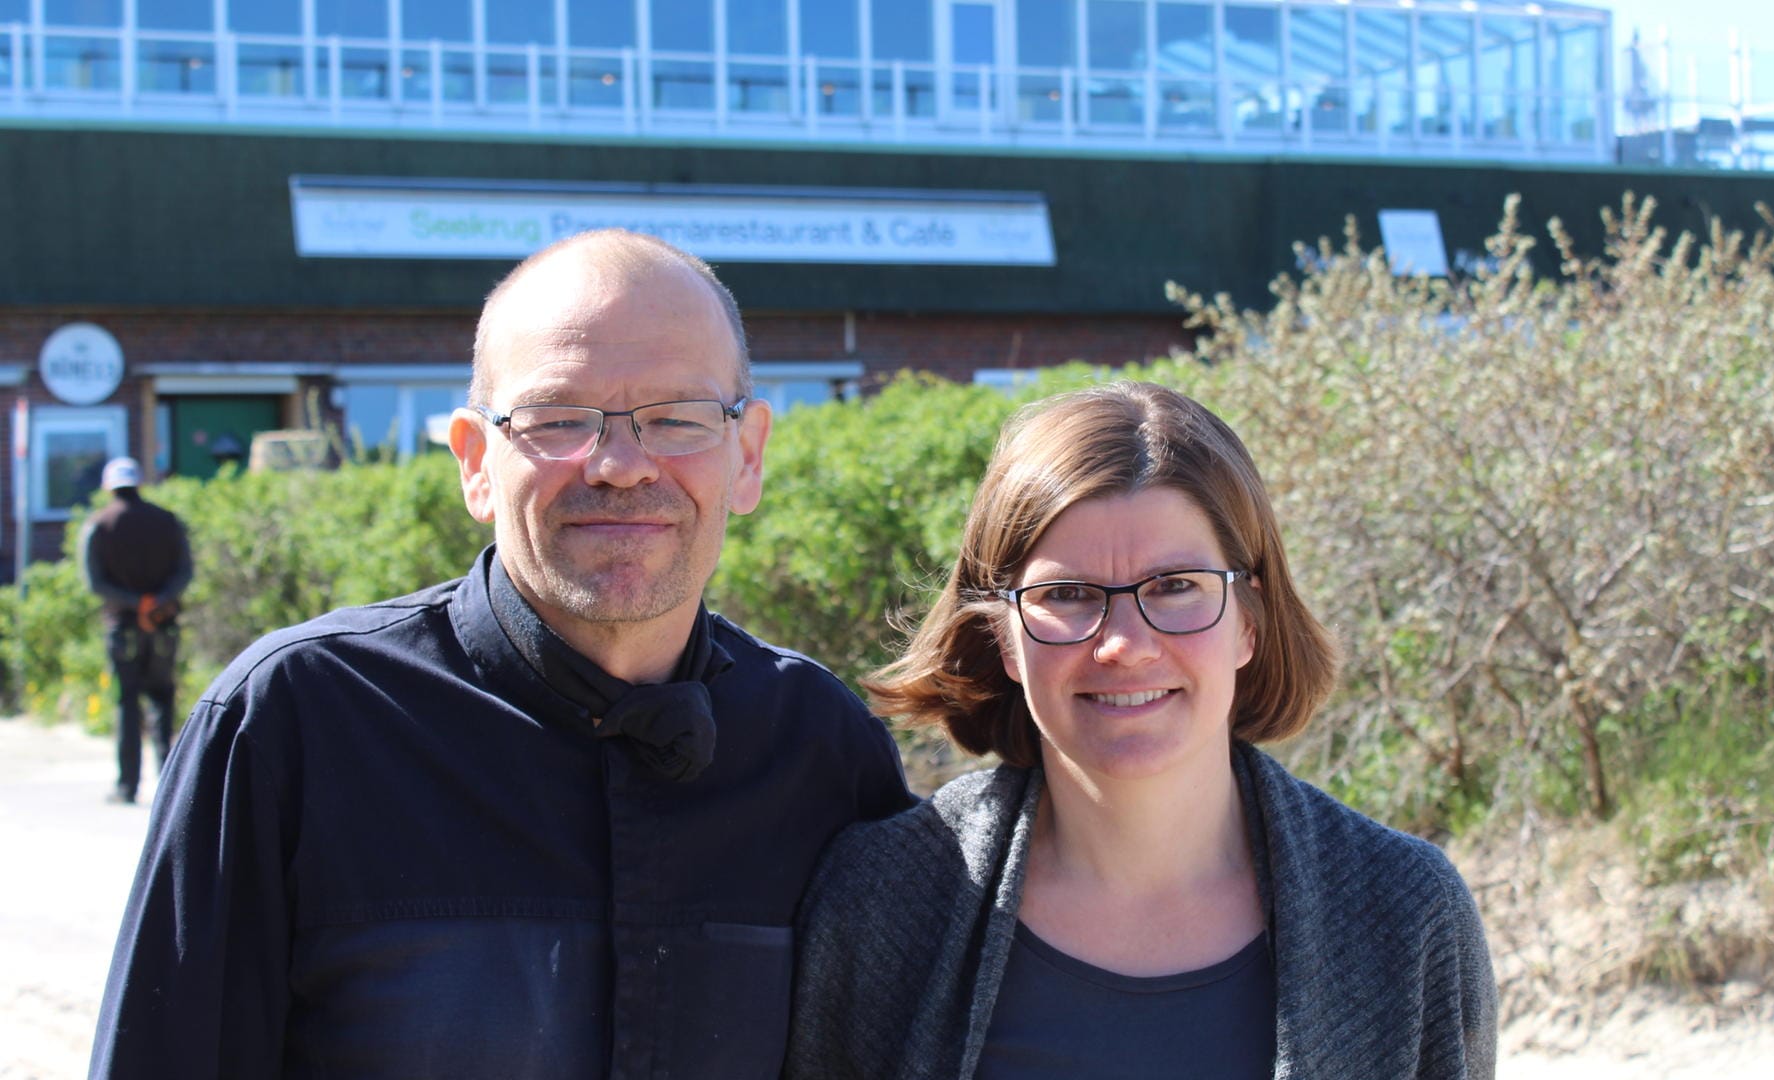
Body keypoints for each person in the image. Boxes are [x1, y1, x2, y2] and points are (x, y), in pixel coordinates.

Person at [89, 230, 914, 1079]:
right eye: (559, 419)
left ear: (747, 457)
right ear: (476, 463)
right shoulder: (293, 728)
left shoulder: (823, 750)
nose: (622, 465)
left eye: (677, 418)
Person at [785, 382, 1497, 1079]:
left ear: (1249, 618)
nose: (1125, 644)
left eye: (1175, 586)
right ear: (1006, 639)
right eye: (1066, 595)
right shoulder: (880, 903)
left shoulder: (1405, 913)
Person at [79, 455, 193, 805]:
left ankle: (127, 785)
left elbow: (95, 582)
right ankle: (168, 782)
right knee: (163, 699)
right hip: (163, 624)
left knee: (126, 703)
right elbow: (185, 572)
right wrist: (156, 601)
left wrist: (134, 602)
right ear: (140, 483)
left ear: (107, 486)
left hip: (123, 626)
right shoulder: (168, 521)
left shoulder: (99, 524)